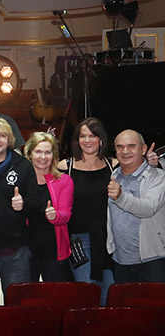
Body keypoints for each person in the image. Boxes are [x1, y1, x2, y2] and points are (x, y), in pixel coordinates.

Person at [59, 118, 117, 302]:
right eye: (82, 136)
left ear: (101, 139)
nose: (87, 140)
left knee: (108, 296)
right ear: (77, 140)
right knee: (88, 294)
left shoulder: (114, 165)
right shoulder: (64, 167)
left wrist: (153, 162)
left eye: (92, 135)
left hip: (108, 240)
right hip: (79, 239)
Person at [0, 118, 37, 294]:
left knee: (16, 305)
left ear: (9, 139)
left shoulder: (23, 166)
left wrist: (24, 204)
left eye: (2, 135)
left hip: (16, 251)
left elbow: (36, 202)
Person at [106, 129, 165, 282]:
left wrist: (121, 197)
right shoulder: (114, 175)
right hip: (120, 261)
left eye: (131, 146)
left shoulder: (157, 176)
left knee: (155, 306)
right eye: (120, 147)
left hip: (153, 260)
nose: (125, 151)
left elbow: (148, 208)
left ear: (143, 149)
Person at [25, 131, 74, 281]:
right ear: (30, 153)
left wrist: (56, 216)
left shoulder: (64, 180)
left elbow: (66, 213)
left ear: (54, 155)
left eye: (48, 152)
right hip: (25, 251)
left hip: (54, 250)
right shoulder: (21, 180)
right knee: (25, 298)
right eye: (38, 152)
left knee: (55, 299)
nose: (43, 157)